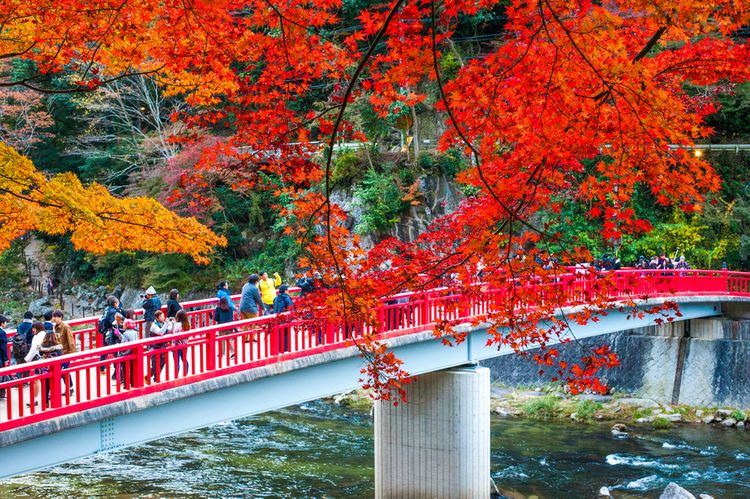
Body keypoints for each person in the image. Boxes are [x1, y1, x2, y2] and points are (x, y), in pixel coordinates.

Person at [52, 310, 77, 395]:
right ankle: (69, 388)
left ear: (60, 317)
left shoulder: (65, 327)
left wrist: (72, 353)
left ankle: (70, 388)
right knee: (62, 371)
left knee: (63, 371)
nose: (54, 318)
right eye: (53, 317)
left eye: (56, 317)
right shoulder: (55, 327)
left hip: (65, 353)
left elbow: (71, 340)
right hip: (59, 353)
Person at [24, 322, 47, 407]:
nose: (32, 330)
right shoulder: (45, 334)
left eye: (33, 328)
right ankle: (46, 398)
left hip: (39, 359)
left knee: (36, 379)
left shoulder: (37, 337)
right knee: (45, 379)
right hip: (47, 358)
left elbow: (34, 349)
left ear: (37, 328)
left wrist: (27, 359)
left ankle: (35, 399)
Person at [148, 310, 170, 382]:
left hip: (163, 346)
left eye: (163, 316)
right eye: (161, 316)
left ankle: (156, 378)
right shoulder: (154, 325)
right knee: (155, 364)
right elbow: (160, 332)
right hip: (155, 347)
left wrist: (172, 324)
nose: (163, 318)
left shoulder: (163, 323)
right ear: (157, 318)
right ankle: (148, 376)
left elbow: (170, 331)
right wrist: (166, 324)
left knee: (162, 362)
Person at [117, 319, 139, 387]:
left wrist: (119, 339)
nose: (122, 326)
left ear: (126, 326)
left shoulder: (125, 333)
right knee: (133, 369)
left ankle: (126, 384)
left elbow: (124, 343)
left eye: (123, 325)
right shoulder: (135, 332)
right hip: (133, 352)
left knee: (125, 369)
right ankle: (133, 383)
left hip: (126, 354)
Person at [171, 309, 190, 376]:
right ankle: (185, 373)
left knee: (177, 361)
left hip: (176, 345)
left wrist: (173, 323)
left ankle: (176, 375)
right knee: (184, 359)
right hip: (184, 345)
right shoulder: (187, 324)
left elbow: (173, 332)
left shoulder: (178, 324)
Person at [0, 315, 8, 399]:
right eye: (5, 322)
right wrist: (5, 359)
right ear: (2, 323)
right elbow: (3, 348)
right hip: (0, 358)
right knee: (2, 375)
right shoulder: (2, 333)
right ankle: (1, 394)